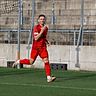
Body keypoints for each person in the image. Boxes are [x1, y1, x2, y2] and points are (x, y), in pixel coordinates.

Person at [12, 14, 56, 83]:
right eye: (41, 19)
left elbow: (43, 37)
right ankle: (18, 61)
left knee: (46, 61)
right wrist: (42, 30)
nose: (42, 20)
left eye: (43, 19)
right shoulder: (36, 27)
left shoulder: (45, 28)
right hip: (35, 48)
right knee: (31, 62)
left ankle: (49, 77)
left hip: (43, 48)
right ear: (38, 20)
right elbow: (36, 38)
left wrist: (47, 41)